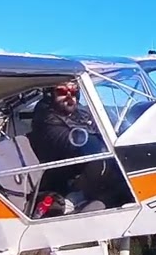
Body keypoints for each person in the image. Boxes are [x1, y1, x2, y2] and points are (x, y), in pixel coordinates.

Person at [28, 81, 129, 210]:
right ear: (49, 95)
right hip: (60, 177)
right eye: (62, 92)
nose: (69, 96)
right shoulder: (45, 119)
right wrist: (98, 138)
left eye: (74, 92)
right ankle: (73, 203)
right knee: (102, 160)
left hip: (79, 169)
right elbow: (75, 142)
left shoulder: (78, 111)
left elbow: (97, 126)